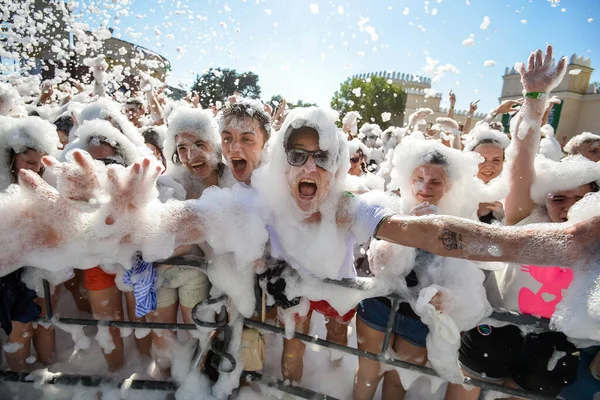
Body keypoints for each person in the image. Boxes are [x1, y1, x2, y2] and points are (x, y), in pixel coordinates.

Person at [446, 44, 600, 400]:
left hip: (554, 343)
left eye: (579, 199)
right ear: (544, 195)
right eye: (558, 196)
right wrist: (534, 98)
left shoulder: (595, 238)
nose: (566, 207)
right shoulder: (526, 217)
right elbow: (519, 165)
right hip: (500, 328)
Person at [354, 137, 490, 400]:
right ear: (407, 179)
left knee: (397, 381)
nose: (425, 187)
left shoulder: (458, 224)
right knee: (368, 375)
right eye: (419, 178)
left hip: (420, 318)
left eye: (435, 181)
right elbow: (380, 265)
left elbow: (466, 284)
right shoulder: (391, 209)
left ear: (447, 185)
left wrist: (447, 298)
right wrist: (409, 227)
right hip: (378, 305)